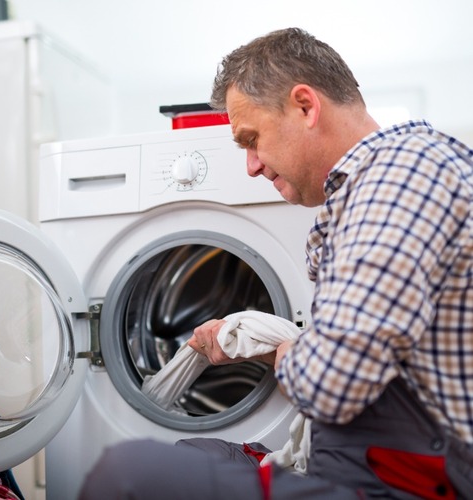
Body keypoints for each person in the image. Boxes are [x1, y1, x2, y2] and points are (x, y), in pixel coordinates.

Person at [79, 27, 473, 499]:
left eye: (252, 139)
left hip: (407, 482)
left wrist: (280, 346)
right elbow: (373, 355)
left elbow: (334, 384)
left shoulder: (401, 177)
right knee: (196, 453)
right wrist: (260, 343)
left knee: (128, 472)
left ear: (305, 106)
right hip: (371, 462)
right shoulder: (373, 186)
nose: (251, 165)